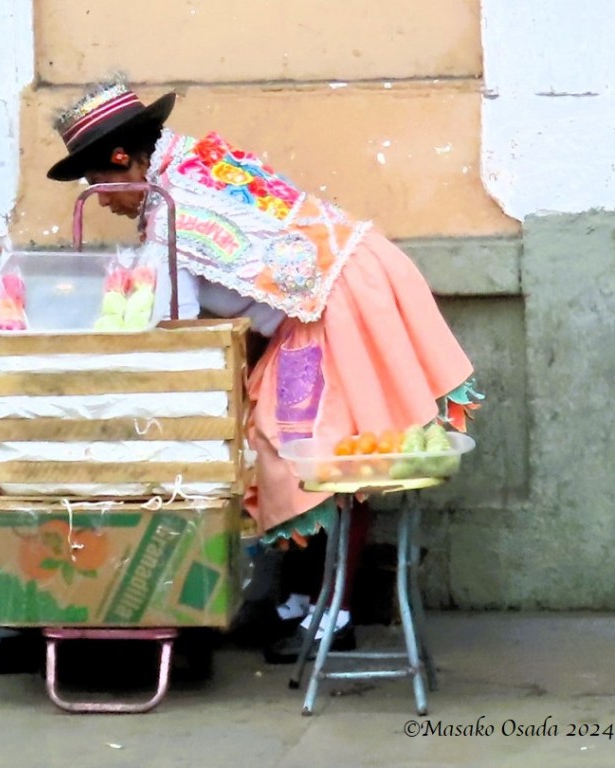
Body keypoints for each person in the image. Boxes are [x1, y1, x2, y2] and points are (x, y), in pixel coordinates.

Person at [46, 78, 482, 658]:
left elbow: (173, 325)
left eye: (97, 183)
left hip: (336, 299)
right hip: (327, 296)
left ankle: (334, 613)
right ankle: (298, 599)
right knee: (279, 449)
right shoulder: (190, 167)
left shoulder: (176, 212)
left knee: (323, 453)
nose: (100, 200)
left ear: (123, 160)